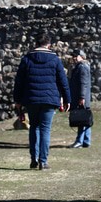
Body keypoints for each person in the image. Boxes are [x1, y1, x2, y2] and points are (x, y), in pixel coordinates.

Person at [13, 33, 71, 170]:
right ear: (49, 44)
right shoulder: (55, 59)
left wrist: (17, 100)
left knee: (34, 127)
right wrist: (67, 99)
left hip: (31, 98)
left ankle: (34, 159)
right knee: (45, 129)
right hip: (49, 99)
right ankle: (43, 161)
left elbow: (19, 82)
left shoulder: (26, 59)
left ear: (36, 44)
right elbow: (63, 81)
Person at [67, 49, 92, 149]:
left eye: (75, 56)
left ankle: (79, 141)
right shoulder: (81, 67)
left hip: (81, 97)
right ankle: (86, 140)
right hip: (81, 97)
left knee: (81, 119)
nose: (74, 58)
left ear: (81, 56)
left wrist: (81, 97)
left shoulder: (82, 67)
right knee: (85, 118)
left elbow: (83, 83)